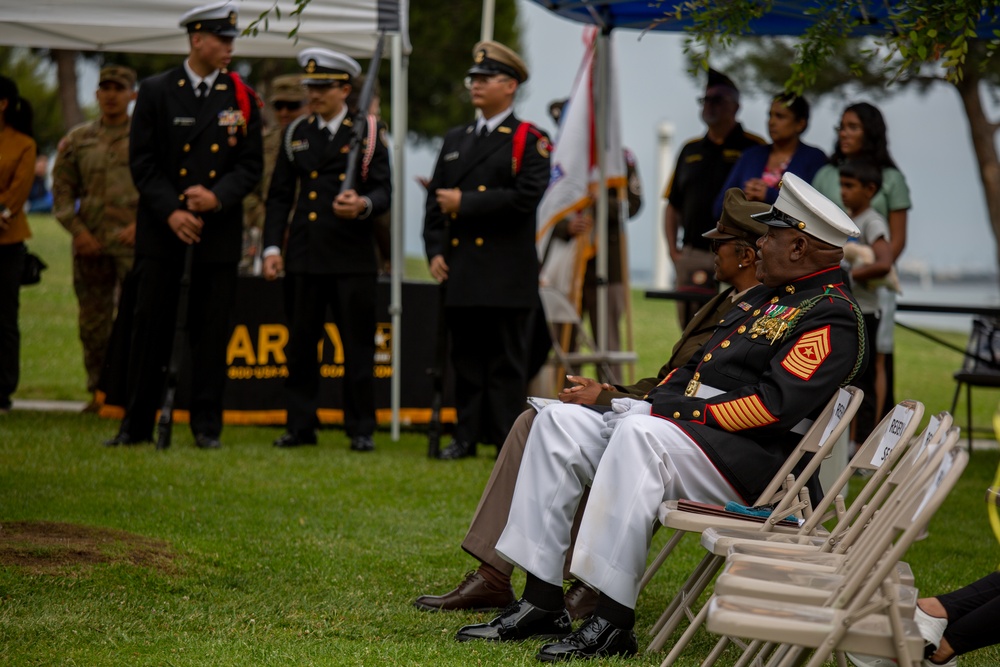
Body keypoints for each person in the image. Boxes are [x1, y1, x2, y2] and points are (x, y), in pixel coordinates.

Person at [453, 173, 867, 662]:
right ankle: (541, 599)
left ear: (798, 246)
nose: (761, 249)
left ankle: (612, 620)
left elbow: (769, 409)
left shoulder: (829, 314)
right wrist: (628, 399)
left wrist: (661, 409)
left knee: (640, 431)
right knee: (557, 422)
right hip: (696, 443)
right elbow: (688, 372)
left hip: (759, 470)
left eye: (770, 238)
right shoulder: (771, 297)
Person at [413, 188, 769, 618]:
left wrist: (610, 397)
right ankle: (495, 574)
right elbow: (671, 380)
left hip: (692, 439)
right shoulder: (725, 301)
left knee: (624, 439)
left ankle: (592, 584)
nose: (710, 252)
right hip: (663, 416)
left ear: (746, 255)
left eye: (718, 244)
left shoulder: (762, 314)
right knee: (536, 422)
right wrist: (610, 392)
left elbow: (702, 395)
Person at [105, 1, 263, 449]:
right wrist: (173, 209)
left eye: (232, 39)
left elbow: (251, 165)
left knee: (211, 333)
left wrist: (216, 196)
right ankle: (135, 425)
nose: (230, 47)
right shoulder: (156, 90)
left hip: (216, 233)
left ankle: (206, 427)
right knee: (149, 326)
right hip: (163, 230)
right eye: (222, 39)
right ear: (197, 40)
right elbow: (143, 161)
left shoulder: (242, 96)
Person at [422, 41, 551, 460]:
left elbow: (526, 197)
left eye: (485, 79)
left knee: (505, 364)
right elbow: (435, 203)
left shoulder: (529, 139)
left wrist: (467, 203)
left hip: (505, 271)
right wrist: (434, 249)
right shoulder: (457, 137)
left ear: (510, 85)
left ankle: (503, 439)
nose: (475, 85)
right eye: (473, 79)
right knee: (466, 359)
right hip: (462, 268)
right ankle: (464, 435)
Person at [262, 48, 391, 452]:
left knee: (356, 346)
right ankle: (300, 425)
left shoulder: (367, 133)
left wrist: (362, 206)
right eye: (310, 86)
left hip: (352, 257)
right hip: (305, 253)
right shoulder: (296, 133)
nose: (313, 94)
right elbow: (280, 197)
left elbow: (384, 190)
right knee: (301, 345)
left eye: (322, 87)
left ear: (344, 90)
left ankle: (361, 428)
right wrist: (271, 246)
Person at [811, 102, 910, 445]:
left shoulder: (890, 181)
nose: (844, 133)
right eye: (841, 126)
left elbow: (891, 245)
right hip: (835, 287)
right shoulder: (826, 173)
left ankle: (871, 438)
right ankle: (841, 434)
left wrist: (861, 273)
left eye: (853, 126)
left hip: (869, 293)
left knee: (874, 366)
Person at [52, 65, 139, 413]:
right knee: (93, 323)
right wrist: (78, 233)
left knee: (136, 320)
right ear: (96, 94)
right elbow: (61, 193)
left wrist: (144, 227)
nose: (111, 94)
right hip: (90, 245)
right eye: (105, 87)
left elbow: (161, 187)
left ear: (132, 95)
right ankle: (98, 393)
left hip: (133, 244)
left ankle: (132, 393)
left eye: (119, 88)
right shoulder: (77, 140)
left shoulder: (148, 137)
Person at [544, 98, 643, 382]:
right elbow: (543, 210)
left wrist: (601, 201)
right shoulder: (555, 161)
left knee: (608, 343)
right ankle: (562, 405)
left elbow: (633, 205)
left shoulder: (618, 159)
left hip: (606, 265)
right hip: (564, 264)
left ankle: (609, 403)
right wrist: (565, 226)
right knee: (563, 345)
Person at [663, 68, 765, 328]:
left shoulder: (754, 148)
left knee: (741, 323)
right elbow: (672, 204)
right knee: (692, 328)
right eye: (705, 100)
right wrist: (674, 251)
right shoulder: (690, 150)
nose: (709, 106)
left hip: (743, 252)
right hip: (695, 251)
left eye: (717, 100)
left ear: (736, 106)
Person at [838, 159, 894, 449]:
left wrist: (849, 275)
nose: (843, 191)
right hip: (854, 310)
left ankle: (863, 444)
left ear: (870, 189)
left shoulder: (872, 221)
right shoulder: (851, 218)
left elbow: (884, 263)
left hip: (868, 313)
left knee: (867, 377)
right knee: (851, 374)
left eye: (850, 185)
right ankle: (850, 439)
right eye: (841, 185)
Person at [713, 93, 827, 216]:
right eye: (770, 115)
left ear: (800, 124)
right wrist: (743, 199)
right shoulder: (751, 156)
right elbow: (720, 207)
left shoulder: (813, 158)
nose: (771, 122)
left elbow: (814, 210)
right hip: (747, 233)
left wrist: (769, 195)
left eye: (780, 116)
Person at [239, 73, 307, 275]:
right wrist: (269, 223)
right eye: (279, 106)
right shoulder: (263, 145)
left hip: (309, 239)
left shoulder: (321, 142)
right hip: (269, 242)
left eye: (293, 106)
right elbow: (248, 191)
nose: (284, 112)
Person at [0, 75, 37, 414]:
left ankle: (3, 388)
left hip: (6, 241)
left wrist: (2, 210)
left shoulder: (23, 143)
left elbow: (20, 189)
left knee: (4, 318)